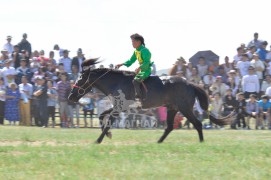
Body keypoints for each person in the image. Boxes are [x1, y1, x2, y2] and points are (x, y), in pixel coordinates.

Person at [115, 33, 153, 105]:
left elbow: (147, 62)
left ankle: (140, 100)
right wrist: (121, 64)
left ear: (138, 42)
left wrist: (140, 67)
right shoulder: (136, 51)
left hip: (146, 70)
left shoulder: (145, 50)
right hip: (141, 70)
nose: (132, 43)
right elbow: (131, 60)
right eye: (132, 42)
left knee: (135, 81)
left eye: (133, 42)